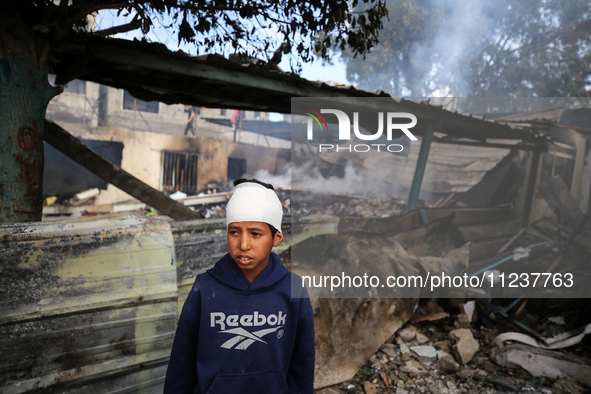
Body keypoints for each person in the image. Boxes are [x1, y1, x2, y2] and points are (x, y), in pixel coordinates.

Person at [164, 178, 315, 394]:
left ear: (276, 237)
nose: (243, 244)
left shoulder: (293, 289)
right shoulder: (205, 288)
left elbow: (303, 364)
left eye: (255, 234)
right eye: (234, 232)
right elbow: (181, 365)